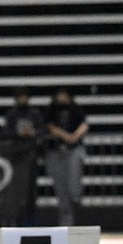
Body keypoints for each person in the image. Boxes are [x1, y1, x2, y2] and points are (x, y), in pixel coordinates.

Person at [0, 86, 45, 227]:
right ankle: (16, 221)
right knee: (16, 191)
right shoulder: (12, 114)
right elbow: (4, 133)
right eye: (20, 96)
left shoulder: (35, 114)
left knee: (31, 191)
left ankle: (30, 221)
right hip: (16, 157)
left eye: (24, 96)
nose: (22, 99)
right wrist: (18, 134)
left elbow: (42, 131)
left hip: (31, 157)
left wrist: (33, 134)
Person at [43, 88, 88, 226]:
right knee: (61, 188)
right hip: (56, 153)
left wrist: (74, 137)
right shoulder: (51, 112)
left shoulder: (76, 111)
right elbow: (50, 126)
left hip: (73, 150)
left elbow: (84, 124)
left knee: (74, 186)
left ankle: (75, 202)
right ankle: (66, 222)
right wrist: (66, 136)